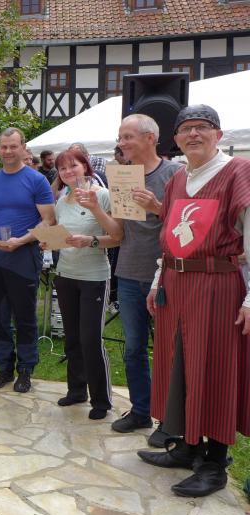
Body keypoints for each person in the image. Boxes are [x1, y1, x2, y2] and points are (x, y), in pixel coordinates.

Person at [138, 105, 250, 497]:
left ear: (218, 134)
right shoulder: (178, 180)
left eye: (202, 127)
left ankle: (215, 463)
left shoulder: (237, 172)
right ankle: (187, 447)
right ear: (177, 139)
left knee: (214, 368)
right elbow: (170, 239)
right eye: (185, 129)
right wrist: (157, 282)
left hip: (217, 285)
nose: (193, 135)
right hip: (176, 285)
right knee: (178, 366)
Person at [110, 114, 182, 447]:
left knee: (169, 351)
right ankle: (140, 410)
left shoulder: (174, 174)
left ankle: (168, 420)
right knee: (133, 349)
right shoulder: (123, 174)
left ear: (150, 138)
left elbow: (185, 223)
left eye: (128, 137)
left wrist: (157, 207)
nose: (122, 143)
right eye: (120, 137)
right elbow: (119, 228)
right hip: (128, 271)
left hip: (164, 275)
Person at [48, 149, 123, 419]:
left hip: (94, 277)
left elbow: (117, 236)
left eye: (74, 166)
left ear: (85, 167)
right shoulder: (61, 201)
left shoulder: (102, 196)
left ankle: (101, 401)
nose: (69, 172)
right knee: (72, 338)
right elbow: (63, 235)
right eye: (63, 168)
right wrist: (50, 241)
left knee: (90, 339)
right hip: (66, 274)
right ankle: (77, 390)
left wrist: (91, 239)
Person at [0, 128, 55, 393]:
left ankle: (25, 369)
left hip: (24, 255)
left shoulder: (37, 180)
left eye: (13, 146)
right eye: (4, 147)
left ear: (23, 147)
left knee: (24, 316)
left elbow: (48, 220)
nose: (8, 151)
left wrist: (22, 240)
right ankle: (4, 367)